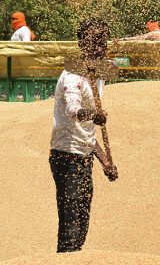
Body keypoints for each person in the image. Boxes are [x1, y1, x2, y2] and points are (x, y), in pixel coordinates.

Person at [49, 17, 118, 253]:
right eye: (94, 41)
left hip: (83, 157)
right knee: (70, 227)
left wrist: (104, 160)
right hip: (67, 159)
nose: (100, 47)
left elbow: (86, 134)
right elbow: (73, 110)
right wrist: (92, 114)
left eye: (102, 41)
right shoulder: (73, 76)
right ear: (82, 44)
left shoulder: (96, 76)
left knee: (82, 222)